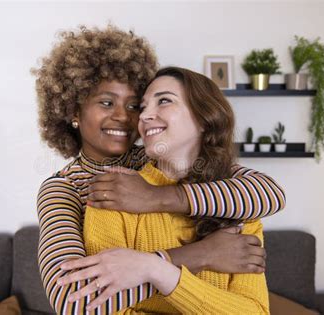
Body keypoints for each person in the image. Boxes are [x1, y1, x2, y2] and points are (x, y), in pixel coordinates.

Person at [34, 25, 285, 314]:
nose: (123, 117)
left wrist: (156, 197)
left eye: (133, 106)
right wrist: (199, 255)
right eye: (106, 103)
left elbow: (269, 194)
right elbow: (75, 302)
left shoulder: (161, 162)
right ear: (73, 111)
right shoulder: (66, 189)